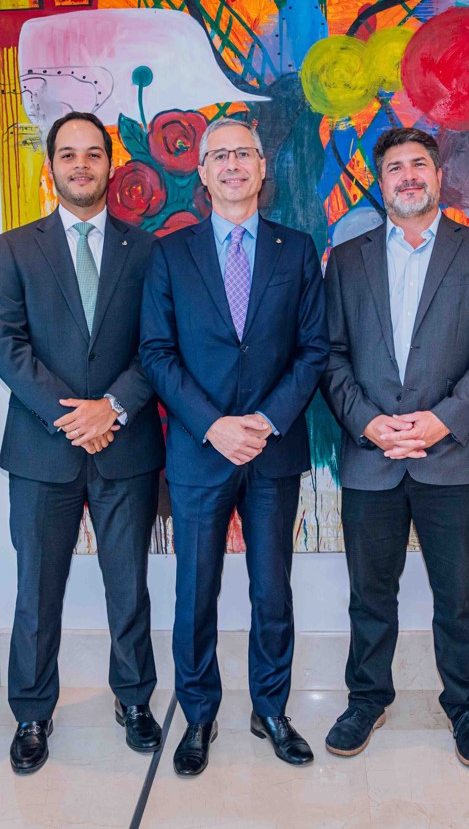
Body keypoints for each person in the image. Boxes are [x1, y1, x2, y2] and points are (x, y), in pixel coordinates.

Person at [319, 127, 469, 767]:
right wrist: (368, 423)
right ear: (381, 183)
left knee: (459, 595)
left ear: (438, 175)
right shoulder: (347, 260)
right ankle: (366, 699)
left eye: (419, 165)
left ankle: (465, 708)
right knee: (369, 593)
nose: (408, 175)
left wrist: (443, 420)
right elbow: (331, 354)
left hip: (452, 456)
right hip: (371, 455)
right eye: (395, 167)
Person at [139, 117, 329, 777]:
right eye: (217, 155)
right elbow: (156, 353)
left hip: (273, 450)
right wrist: (213, 424)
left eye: (242, 153)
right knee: (196, 591)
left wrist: (267, 420)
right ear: (202, 171)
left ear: (261, 166)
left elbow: (313, 350)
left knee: (272, 591)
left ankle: (270, 709)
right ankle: (198, 714)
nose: (231, 165)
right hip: (200, 450)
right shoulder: (171, 253)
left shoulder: (295, 249)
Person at [0, 111, 165, 775]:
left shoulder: (147, 251)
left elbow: (159, 345)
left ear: (110, 165)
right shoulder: (13, 248)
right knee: (38, 590)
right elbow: (4, 343)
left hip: (126, 446)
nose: (81, 165)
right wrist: (73, 416)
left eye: (93, 153)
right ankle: (32, 712)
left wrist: (111, 408)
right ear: (51, 166)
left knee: (129, 586)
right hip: (41, 450)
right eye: (68, 154)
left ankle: (134, 700)